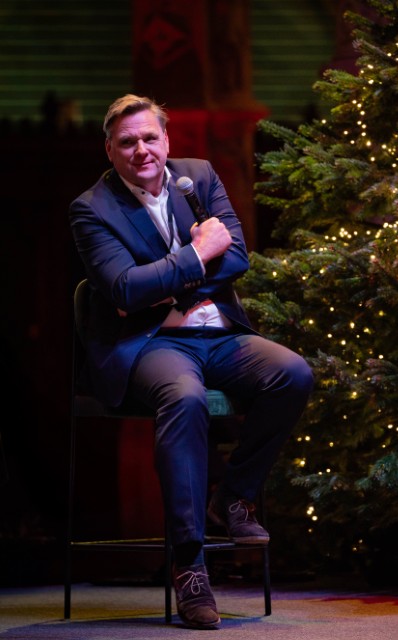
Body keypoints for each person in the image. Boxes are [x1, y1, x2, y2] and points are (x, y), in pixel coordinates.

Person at [69, 94, 314, 629]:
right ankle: (190, 563)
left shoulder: (197, 177)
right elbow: (123, 290)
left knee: (292, 373)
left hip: (216, 335)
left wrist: (165, 285)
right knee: (185, 398)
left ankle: (233, 497)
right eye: (127, 142)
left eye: (149, 138)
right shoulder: (92, 208)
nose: (141, 150)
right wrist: (199, 253)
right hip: (150, 343)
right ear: (110, 150)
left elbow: (238, 257)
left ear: (166, 140)